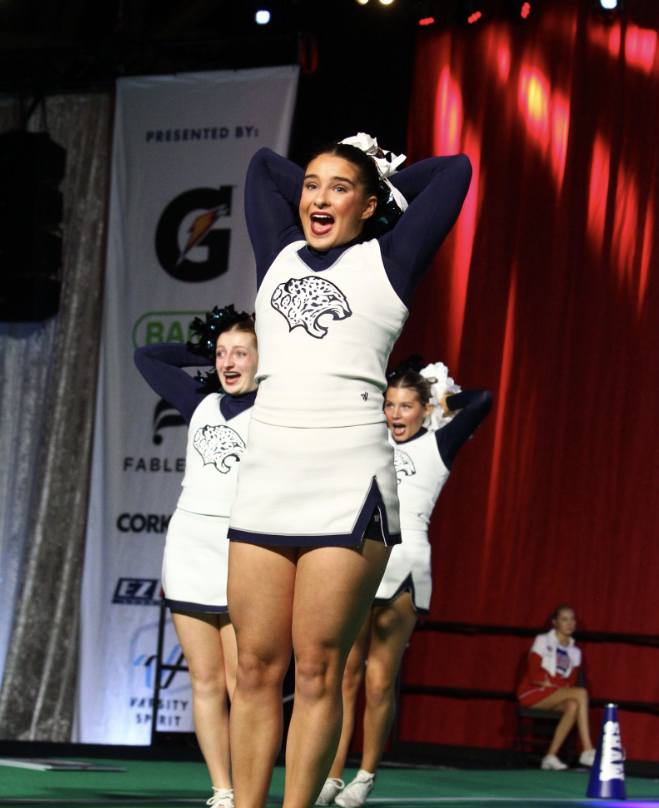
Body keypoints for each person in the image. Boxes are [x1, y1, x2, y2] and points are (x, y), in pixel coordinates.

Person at [226, 132, 472, 808]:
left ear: (368, 205)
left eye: (339, 187)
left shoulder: (389, 258)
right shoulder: (277, 252)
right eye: (311, 185)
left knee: (315, 669)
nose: (317, 197)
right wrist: (343, 165)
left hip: (347, 477)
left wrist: (385, 183)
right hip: (268, 470)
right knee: (252, 667)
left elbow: (453, 171)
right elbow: (261, 168)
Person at [318, 360, 493, 807]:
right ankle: (331, 775)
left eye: (407, 406)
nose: (396, 414)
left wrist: (441, 402)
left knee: (379, 681)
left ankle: (366, 774)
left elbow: (482, 401)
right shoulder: (367, 440)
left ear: (423, 408)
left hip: (407, 562)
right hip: (360, 556)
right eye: (390, 404)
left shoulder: (439, 444)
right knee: (344, 677)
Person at [134, 306, 258, 808]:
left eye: (241, 353)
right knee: (204, 681)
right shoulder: (198, 399)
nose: (229, 362)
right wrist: (205, 349)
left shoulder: (279, 408)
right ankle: (222, 791)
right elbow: (146, 356)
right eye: (222, 353)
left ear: (263, 359)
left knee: (243, 682)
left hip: (242, 549)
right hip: (188, 545)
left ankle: (251, 789)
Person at [517, 605, 596, 770]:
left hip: (553, 692)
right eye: (564, 619)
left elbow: (570, 682)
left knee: (573, 705)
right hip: (533, 692)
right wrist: (555, 683)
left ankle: (550, 756)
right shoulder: (543, 640)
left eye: (572, 619)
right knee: (581, 693)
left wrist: (555, 683)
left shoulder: (575, 652)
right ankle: (588, 750)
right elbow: (534, 673)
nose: (569, 623)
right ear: (555, 622)